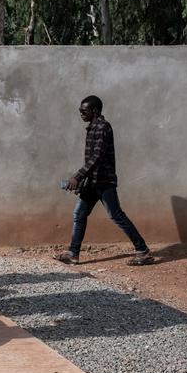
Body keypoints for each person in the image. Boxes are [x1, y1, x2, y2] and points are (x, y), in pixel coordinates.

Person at [55, 95, 154, 266]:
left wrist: (77, 176)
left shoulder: (102, 127)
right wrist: (84, 180)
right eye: (80, 110)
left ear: (94, 110)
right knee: (79, 214)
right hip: (92, 182)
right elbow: (92, 160)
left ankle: (143, 251)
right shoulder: (93, 127)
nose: (81, 113)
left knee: (116, 215)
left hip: (103, 181)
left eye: (83, 110)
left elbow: (97, 156)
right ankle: (73, 253)